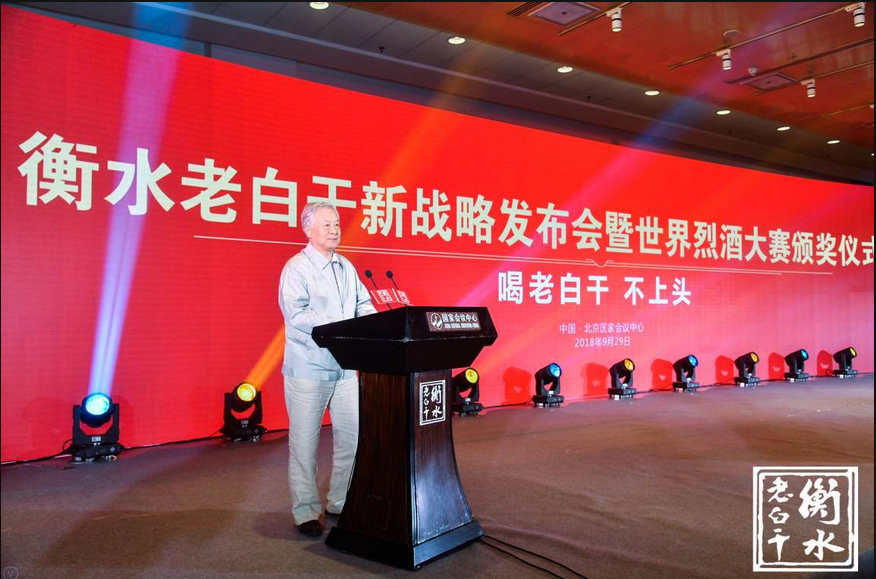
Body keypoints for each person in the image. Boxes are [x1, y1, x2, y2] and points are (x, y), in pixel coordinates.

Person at [278, 202, 377, 537]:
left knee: (351, 438)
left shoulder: (345, 266)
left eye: (336, 224)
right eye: (327, 225)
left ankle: (341, 501)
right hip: (308, 368)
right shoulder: (296, 268)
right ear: (308, 229)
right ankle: (306, 511)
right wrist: (341, 326)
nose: (335, 230)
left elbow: (363, 304)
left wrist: (374, 324)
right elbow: (296, 315)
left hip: (346, 368)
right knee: (304, 444)